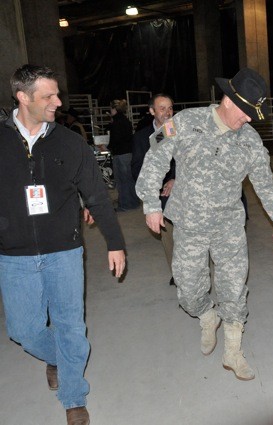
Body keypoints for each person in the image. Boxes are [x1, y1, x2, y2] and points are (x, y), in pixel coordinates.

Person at [136, 68, 273, 381]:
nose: (248, 119)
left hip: (229, 223)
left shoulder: (250, 142)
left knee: (234, 287)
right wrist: (151, 204)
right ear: (229, 101)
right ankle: (207, 315)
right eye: (246, 112)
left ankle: (233, 351)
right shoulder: (185, 122)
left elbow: (265, 187)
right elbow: (155, 160)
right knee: (189, 288)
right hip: (189, 222)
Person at [0, 64, 126, 425]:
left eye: (57, 93)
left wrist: (115, 243)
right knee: (22, 330)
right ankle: (62, 357)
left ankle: (73, 396)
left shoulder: (71, 143)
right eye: (48, 96)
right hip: (14, 254)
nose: (58, 101)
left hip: (65, 252)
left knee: (71, 326)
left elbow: (97, 197)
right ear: (22, 97)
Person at [131, 94, 176, 285]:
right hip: (160, 196)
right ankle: (177, 273)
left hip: (183, 191)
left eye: (170, 108)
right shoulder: (142, 137)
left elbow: (188, 161)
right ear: (152, 111)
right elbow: (137, 167)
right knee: (169, 237)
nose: (167, 112)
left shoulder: (179, 130)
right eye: (162, 108)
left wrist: (176, 178)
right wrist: (153, 188)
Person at [108, 99, 139, 211]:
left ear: (115, 109)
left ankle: (125, 205)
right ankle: (133, 202)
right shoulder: (126, 120)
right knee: (129, 179)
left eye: (111, 108)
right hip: (128, 153)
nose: (110, 111)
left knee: (122, 180)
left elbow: (116, 139)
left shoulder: (116, 122)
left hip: (120, 154)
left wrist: (107, 147)